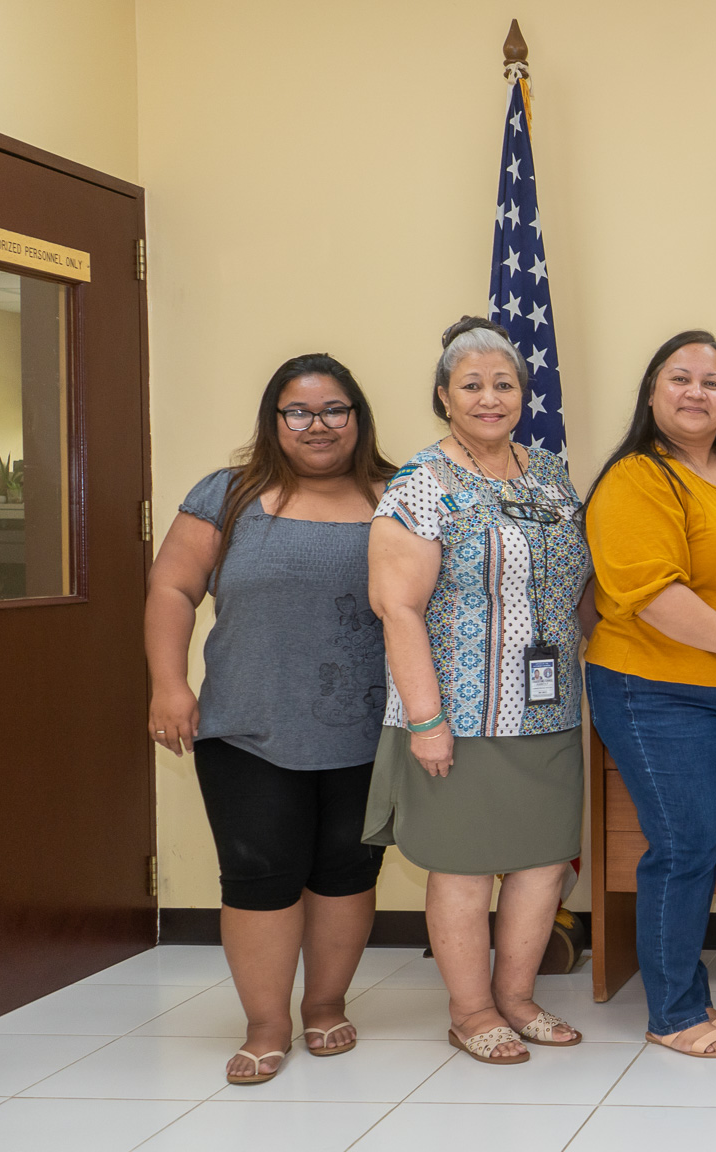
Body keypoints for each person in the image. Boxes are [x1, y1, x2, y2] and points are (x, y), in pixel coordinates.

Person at [145, 354, 396, 1086]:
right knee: (260, 874)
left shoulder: (401, 493)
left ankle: (324, 1006)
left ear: (357, 416)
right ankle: (266, 1024)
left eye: (334, 410)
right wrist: (168, 683)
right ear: (274, 421)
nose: (318, 426)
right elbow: (171, 587)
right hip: (247, 724)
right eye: (299, 412)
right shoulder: (228, 496)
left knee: (347, 870)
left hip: (371, 725)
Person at [364, 316, 596, 1066]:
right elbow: (397, 606)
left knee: (540, 862)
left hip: (549, 707)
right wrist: (427, 720)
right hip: (458, 712)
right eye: (472, 386)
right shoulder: (421, 483)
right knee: (463, 865)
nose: (490, 398)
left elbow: (582, 585)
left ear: (523, 395)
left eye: (504, 384)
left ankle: (519, 997)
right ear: (444, 396)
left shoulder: (551, 473)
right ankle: (471, 1011)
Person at [583, 331, 716, 1059]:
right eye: (680, 378)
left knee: (702, 846)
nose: (696, 393)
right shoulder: (636, 479)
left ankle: (688, 989)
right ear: (651, 392)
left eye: (712, 382)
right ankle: (673, 1013)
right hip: (654, 689)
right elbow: (648, 594)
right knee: (682, 848)